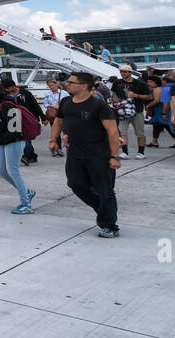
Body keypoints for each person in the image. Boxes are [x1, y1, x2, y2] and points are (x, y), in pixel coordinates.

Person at [51, 72, 122, 237]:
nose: (66, 84)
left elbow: (112, 131)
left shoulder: (99, 105)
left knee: (105, 191)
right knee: (75, 184)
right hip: (75, 154)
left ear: (83, 86)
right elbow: (58, 121)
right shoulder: (66, 102)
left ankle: (109, 225)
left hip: (100, 155)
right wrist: (52, 140)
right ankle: (105, 210)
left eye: (71, 82)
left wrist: (115, 156)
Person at [0, 82, 37, 215]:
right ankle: (26, 192)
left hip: (14, 142)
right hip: (4, 142)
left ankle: (26, 204)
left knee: (13, 171)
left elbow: (14, 129)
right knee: (0, 169)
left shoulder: (7, 104)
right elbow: (0, 125)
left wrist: (1, 140)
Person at [0, 76, 40, 166]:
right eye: (5, 89)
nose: (6, 90)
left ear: (13, 86)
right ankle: (32, 156)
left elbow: (35, 105)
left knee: (26, 139)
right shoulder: (6, 96)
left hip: (27, 120)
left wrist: (42, 117)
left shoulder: (25, 93)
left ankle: (26, 157)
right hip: (15, 120)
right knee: (25, 139)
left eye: (7, 88)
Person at [112, 65, 150, 159]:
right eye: (121, 71)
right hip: (122, 111)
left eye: (125, 72)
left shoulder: (140, 83)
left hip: (137, 110)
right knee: (123, 132)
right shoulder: (117, 82)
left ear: (130, 72)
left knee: (140, 132)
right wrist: (115, 98)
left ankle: (141, 152)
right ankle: (125, 153)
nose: (122, 73)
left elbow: (149, 97)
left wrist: (136, 95)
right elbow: (114, 93)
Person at [42, 75, 69, 156]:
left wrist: (59, 106)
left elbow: (69, 102)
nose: (51, 87)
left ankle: (68, 147)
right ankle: (57, 149)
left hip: (63, 114)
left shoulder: (64, 93)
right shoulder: (47, 94)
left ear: (56, 84)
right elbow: (45, 104)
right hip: (53, 115)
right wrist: (53, 106)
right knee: (55, 132)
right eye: (49, 86)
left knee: (66, 131)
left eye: (52, 85)